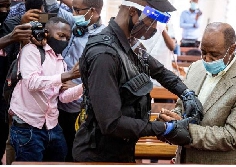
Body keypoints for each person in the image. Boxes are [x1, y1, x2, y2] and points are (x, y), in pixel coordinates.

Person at [74, 0, 203, 163]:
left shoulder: (130, 43)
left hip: (123, 148)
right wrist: (164, 128)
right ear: (133, 12)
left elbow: (160, 71)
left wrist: (186, 93)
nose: (155, 27)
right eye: (152, 20)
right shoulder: (104, 55)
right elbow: (111, 123)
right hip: (99, 153)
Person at [158, 22, 236, 164]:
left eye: (214, 54)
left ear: (232, 49)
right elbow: (181, 106)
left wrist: (182, 130)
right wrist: (170, 120)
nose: (206, 59)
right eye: (203, 52)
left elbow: (232, 137)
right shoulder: (195, 68)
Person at [9, 17, 82, 162]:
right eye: (61, 36)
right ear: (47, 33)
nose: (64, 41)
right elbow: (32, 83)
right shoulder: (32, 50)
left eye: (67, 38)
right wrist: (67, 75)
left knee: (60, 160)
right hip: (27, 126)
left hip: (52, 126)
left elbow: (61, 97)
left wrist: (84, 86)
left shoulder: (60, 61)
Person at [57, 0, 105, 162]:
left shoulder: (102, 36)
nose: (74, 14)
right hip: (57, 104)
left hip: (79, 107)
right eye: (73, 10)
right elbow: (50, 6)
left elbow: (103, 77)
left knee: (76, 155)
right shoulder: (75, 22)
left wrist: (77, 86)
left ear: (93, 11)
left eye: (77, 10)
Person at [0, 0, 33, 164]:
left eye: (7, 6)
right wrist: (9, 38)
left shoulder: (10, 23)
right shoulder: (11, 28)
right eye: (1, 6)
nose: (4, 10)